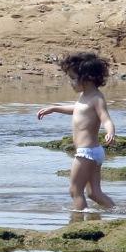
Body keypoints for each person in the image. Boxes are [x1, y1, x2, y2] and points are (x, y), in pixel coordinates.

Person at [36, 52, 116, 210]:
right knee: (94, 193)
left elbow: (106, 118)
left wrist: (110, 131)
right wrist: (54, 108)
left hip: (86, 152)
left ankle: (78, 221)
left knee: (75, 190)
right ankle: (116, 212)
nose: (71, 83)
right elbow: (78, 109)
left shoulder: (97, 98)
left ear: (87, 78)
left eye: (73, 78)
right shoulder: (85, 96)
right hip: (93, 152)